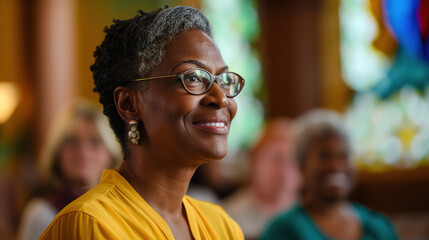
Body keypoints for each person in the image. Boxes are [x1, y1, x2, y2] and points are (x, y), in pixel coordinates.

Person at [40, 6, 245, 240]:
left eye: (224, 80)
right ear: (129, 103)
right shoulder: (91, 223)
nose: (221, 98)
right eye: (193, 78)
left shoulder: (222, 227)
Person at [261, 109, 399, 240]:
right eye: (324, 156)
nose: (336, 166)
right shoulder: (284, 230)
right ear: (302, 166)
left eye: (344, 156)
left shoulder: (377, 226)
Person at [17, 99, 121, 240]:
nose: (83, 151)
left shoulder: (122, 210)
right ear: (57, 152)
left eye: (95, 141)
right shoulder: (42, 214)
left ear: (111, 154)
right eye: (72, 141)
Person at [223, 118, 301, 240]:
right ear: (253, 163)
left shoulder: (313, 218)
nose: (284, 172)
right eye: (276, 160)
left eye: (293, 162)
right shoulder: (227, 219)